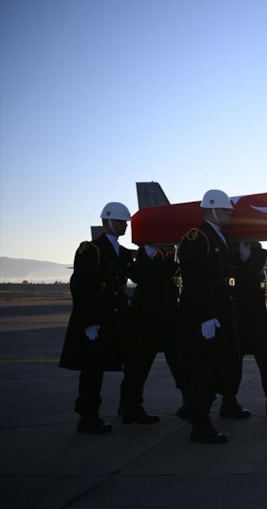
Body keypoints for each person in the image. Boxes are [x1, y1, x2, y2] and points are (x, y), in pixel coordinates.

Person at [59, 202, 159, 434]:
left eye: (125, 222)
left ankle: (131, 406)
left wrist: (148, 253)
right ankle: (88, 416)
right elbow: (80, 287)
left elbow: (139, 276)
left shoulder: (122, 253)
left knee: (136, 360)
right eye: (120, 222)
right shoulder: (90, 250)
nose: (124, 226)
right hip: (99, 316)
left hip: (121, 316)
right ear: (107, 222)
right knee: (93, 368)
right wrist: (89, 322)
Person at [177, 189, 242, 444]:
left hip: (220, 311)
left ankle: (194, 410)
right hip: (204, 314)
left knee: (218, 366)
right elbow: (194, 279)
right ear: (212, 209)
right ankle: (200, 425)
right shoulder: (197, 238)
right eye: (226, 210)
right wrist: (206, 315)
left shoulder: (218, 236)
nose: (230, 214)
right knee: (204, 370)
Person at [230, 240, 267, 417]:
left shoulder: (252, 247)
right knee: (233, 361)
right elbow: (249, 272)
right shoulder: (232, 249)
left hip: (258, 313)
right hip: (239, 313)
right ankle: (228, 401)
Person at [130, 244, 184, 417]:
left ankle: (189, 401)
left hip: (169, 316)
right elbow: (147, 278)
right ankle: (131, 405)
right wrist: (171, 258)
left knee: (178, 362)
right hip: (148, 318)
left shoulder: (164, 254)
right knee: (141, 364)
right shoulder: (145, 256)